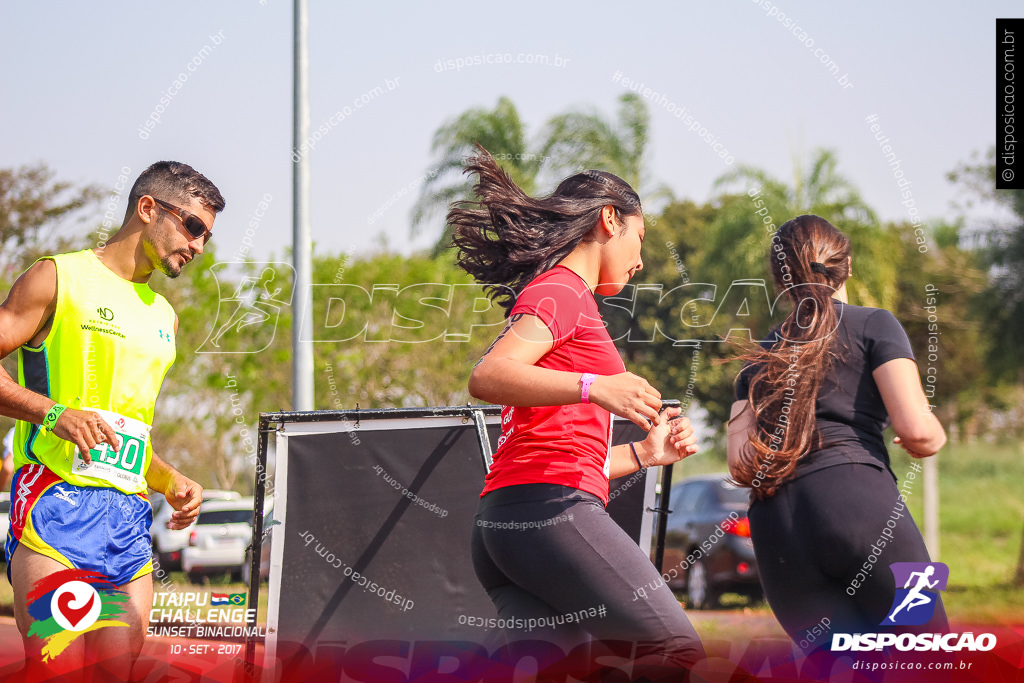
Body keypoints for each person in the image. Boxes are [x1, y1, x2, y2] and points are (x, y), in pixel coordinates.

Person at [452, 149, 705, 679]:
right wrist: (597, 387)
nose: (641, 259)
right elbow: (488, 376)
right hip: (547, 512)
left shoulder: (565, 296)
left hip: (507, 523)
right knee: (674, 648)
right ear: (609, 219)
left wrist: (643, 453)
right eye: (640, 237)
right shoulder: (562, 291)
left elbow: (561, 451)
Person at [0, 161, 222, 677]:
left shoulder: (162, 316)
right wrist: (52, 413)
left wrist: (170, 480)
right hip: (54, 508)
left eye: (207, 236)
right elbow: (65, 416)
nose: (199, 246)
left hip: (127, 523)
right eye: (192, 226)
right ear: (148, 209)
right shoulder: (59, 275)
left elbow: (125, 434)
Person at [727, 215, 948, 653]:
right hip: (855, 505)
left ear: (780, 280)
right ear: (847, 266)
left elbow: (739, 465)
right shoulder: (874, 324)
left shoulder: (757, 358)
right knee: (927, 657)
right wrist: (929, 436)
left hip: (778, 530)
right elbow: (918, 431)